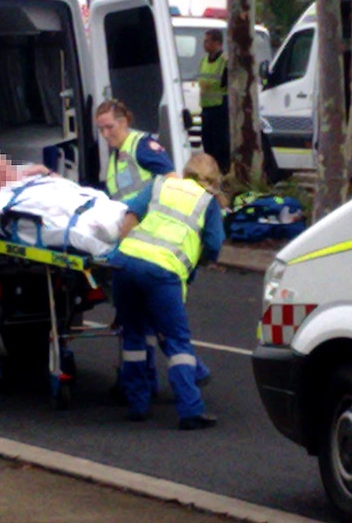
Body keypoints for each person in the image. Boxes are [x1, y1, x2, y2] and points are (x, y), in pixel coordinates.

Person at [109, 157, 225, 430]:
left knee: (134, 334)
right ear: (214, 180)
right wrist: (196, 260)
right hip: (162, 272)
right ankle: (190, 410)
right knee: (177, 342)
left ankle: (138, 405)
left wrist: (118, 252)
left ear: (186, 172)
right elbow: (214, 244)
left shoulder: (160, 184)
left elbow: (130, 214)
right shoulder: (208, 202)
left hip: (125, 262)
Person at [94, 99, 174, 202]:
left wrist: (139, 206)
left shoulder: (141, 145)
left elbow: (171, 179)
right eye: (101, 129)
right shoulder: (114, 159)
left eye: (109, 127)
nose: (105, 134)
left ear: (123, 122)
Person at [198, 29, 230, 175]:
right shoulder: (204, 60)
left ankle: (222, 172)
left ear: (217, 43)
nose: (205, 44)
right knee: (207, 144)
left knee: (220, 146)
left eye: (207, 41)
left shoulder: (225, 61)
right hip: (206, 109)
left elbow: (225, 83)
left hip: (220, 109)